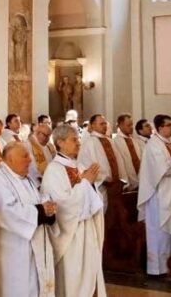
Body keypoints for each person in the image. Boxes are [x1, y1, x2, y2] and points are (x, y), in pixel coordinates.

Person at [41, 123, 105, 297]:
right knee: (74, 281)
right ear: (60, 142)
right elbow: (63, 205)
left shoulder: (78, 166)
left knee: (91, 277)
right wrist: (85, 183)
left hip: (87, 230)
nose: (78, 143)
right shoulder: (54, 170)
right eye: (74, 139)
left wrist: (89, 185)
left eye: (78, 139)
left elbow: (92, 198)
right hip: (71, 236)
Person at [0, 142, 57, 297]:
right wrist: (42, 210)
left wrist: (48, 207)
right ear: (10, 159)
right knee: (17, 289)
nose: (30, 160)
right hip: (14, 250)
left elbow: (37, 199)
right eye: (25, 156)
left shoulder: (24, 176)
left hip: (33, 246)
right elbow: (6, 211)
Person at [136, 114, 171, 277]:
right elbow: (160, 169)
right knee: (159, 231)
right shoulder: (153, 145)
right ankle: (157, 268)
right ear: (159, 128)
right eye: (169, 125)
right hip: (158, 194)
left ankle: (170, 264)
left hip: (170, 192)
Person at [79, 114, 124, 208]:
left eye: (105, 123)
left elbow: (119, 161)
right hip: (101, 187)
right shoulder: (88, 143)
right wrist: (104, 180)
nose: (104, 126)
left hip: (116, 186)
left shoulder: (110, 141)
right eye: (101, 124)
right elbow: (84, 167)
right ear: (93, 125)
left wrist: (121, 179)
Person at [112, 114, 141, 189]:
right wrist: (126, 183)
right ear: (121, 126)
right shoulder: (116, 142)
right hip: (128, 182)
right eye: (128, 125)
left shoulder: (133, 140)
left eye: (132, 124)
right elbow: (120, 164)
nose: (132, 127)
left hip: (140, 179)